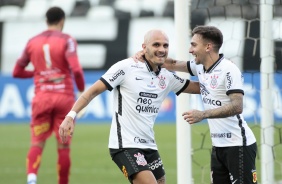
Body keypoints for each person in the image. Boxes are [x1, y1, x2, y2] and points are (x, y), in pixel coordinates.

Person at [59, 29, 200, 184]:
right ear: (144, 47)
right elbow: (92, 91)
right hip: (125, 145)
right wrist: (70, 115)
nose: (162, 49)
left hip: (149, 145)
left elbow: (198, 88)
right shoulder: (125, 68)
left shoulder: (166, 76)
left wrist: (219, 75)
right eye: (156, 45)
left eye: (165, 45)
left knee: (160, 182)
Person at [151, 25, 257, 184]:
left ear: (208, 47)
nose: (190, 49)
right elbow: (172, 64)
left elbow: (237, 106)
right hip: (218, 147)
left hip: (238, 146)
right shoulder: (199, 67)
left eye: (194, 45)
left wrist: (203, 114)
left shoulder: (229, 70)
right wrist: (148, 56)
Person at [12, 7, 85, 184]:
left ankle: (31, 178)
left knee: (37, 143)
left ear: (46, 21)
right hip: (64, 98)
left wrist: (38, 73)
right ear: (62, 21)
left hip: (41, 98)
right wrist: (82, 92)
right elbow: (76, 70)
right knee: (63, 146)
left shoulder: (32, 42)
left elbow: (16, 71)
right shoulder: (67, 40)